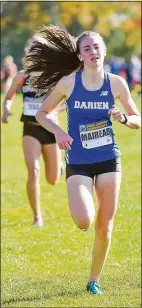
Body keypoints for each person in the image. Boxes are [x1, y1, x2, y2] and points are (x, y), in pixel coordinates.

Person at [23, 25, 141, 294]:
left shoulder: (116, 83)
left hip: (109, 159)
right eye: (87, 48)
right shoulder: (69, 82)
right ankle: (81, 204)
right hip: (78, 160)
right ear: (79, 56)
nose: (93, 52)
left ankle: (93, 280)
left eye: (97, 47)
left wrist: (123, 118)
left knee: (105, 225)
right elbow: (42, 113)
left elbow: (137, 119)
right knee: (85, 220)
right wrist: (60, 132)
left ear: (104, 51)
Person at [2, 69, 65, 227]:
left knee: (53, 180)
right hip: (30, 129)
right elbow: (9, 95)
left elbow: (67, 100)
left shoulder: (56, 75)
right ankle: (37, 216)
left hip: (50, 130)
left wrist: (55, 110)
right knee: (33, 170)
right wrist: (5, 109)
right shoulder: (23, 76)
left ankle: (59, 166)